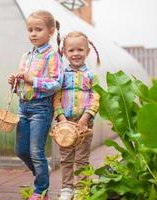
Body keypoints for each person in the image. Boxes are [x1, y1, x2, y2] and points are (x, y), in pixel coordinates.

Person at [8, 10, 63, 200]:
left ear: (50, 32)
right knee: (21, 150)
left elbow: (56, 83)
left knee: (35, 151)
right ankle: (42, 172)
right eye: (30, 29)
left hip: (41, 108)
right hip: (24, 107)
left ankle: (41, 191)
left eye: (38, 29)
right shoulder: (26, 56)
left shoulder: (52, 56)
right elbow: (23, 84)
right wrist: (15, 83)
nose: (33, 33)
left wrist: (33, 80)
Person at [53, 31, 100, 200]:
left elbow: (96, 98)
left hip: (84, 125)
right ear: (64, 52)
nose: (75, 54)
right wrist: (61, 119)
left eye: (80, 50)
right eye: (71, 50)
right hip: (65, 124)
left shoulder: (91, 75)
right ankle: (67, 188)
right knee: (66, 157)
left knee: (81, 157)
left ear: (87, 51)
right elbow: (56, 98)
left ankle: (81, 188)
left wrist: (85, 118)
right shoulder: (61, 75)